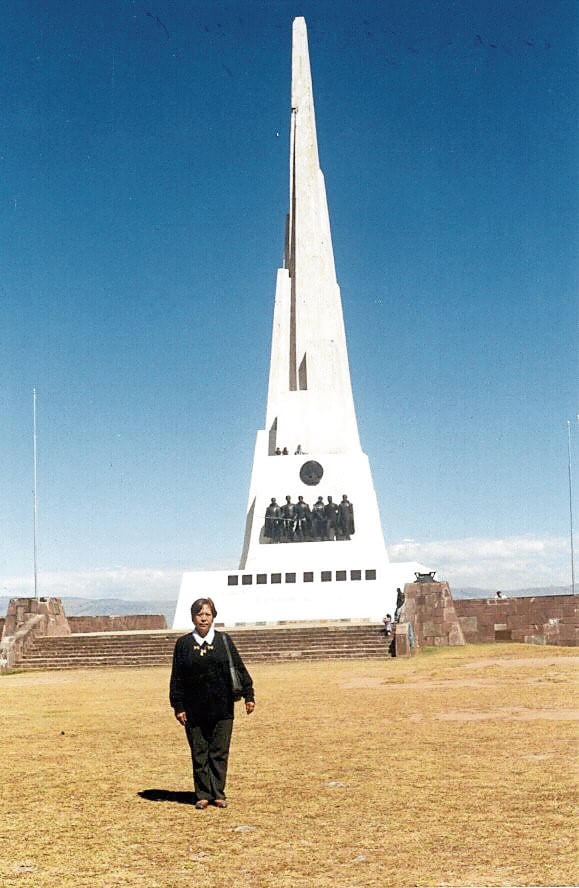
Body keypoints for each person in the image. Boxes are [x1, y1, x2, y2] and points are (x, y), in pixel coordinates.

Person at [169, 598, 255, 809]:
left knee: (219, 751)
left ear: (213, 616)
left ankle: (218, 793)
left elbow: (239, 667)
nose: (204, 618)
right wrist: (178, 706)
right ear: (193, 617)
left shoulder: (224, 640)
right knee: (199, 752)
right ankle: (202, 794)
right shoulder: (183, 644)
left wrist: (249, 695)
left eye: (207, 614)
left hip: (222, 708)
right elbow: (177, 677)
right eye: (199, 614)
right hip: (194, 710)